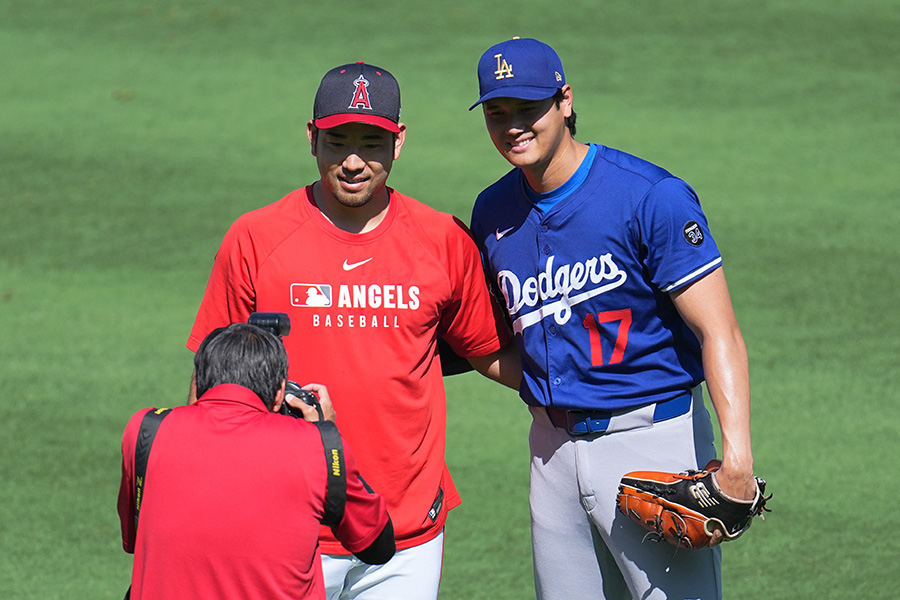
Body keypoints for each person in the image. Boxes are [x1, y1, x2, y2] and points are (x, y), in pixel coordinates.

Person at [187, 61, 521, 599]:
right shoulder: (255, 238)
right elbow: (211, 387)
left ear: (399, 141)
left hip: (406, 534)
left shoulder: (442, 240)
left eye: (371, 142)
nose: (352, 162)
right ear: (311, 138)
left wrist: (612, 397)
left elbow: (489, 353)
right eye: (337, 141)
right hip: (282, 524)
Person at [468, 37, 758, 600]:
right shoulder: (493, 211)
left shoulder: (650, 197)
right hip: (550, 450)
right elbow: (511, 340)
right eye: (497, 112)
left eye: (528, 108)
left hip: (653, 444)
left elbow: (718, 329)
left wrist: (738, 458)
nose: (512, 126)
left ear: (565, 101)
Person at [117, 322, 394, 600]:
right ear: (279, 393)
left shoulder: (146, 430)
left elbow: (137, 540)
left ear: (199, 382)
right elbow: (378, 545)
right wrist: (327, 435)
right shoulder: (315, 445)